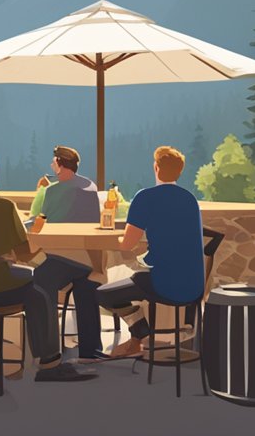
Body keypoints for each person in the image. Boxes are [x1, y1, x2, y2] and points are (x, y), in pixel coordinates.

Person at [0, 154, 99, 381]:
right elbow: (24, 253)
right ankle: (52, 364)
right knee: (39, 290)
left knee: (32, 282)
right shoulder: (5, 207)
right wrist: (41, 255)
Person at [97, 146, 205, 359]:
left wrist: (113, 237)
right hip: (194, 285)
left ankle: (138, 335)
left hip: (163, 283)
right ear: (179, 172)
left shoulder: (145, 197)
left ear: (156, 168)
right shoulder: (189, 200)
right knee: (137, 276)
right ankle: (141, 339)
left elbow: (127, 244)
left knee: (104, 293)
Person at [26, 145, 99, 228]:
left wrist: (28, 222)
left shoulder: (53, 191)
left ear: (59, 164)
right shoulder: (91, 185)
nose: (51, 165)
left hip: (58, 236)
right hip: (86, 235)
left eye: (53, 162)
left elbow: (43, 220)